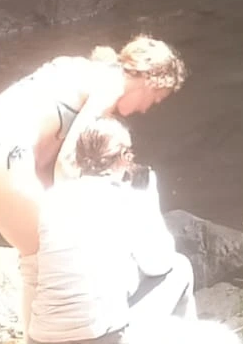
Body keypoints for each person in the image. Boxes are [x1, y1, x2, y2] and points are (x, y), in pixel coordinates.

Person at [0, 36, 186, 333]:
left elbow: (48, 164)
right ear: (150, 79)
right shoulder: (111, 84)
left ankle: (37, 337)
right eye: (156, 98)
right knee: (48, 258)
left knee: (36, 259)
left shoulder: (85, 70)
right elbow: (66, 165)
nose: (147, 108)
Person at [27, 118, 195, 344]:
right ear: (123, 158)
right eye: (129, 154)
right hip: (100, 338)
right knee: (180, 268)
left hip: (41, 338)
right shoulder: (126, 199)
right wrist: (148, 198)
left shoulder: (51, 199)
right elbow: (159, 264)